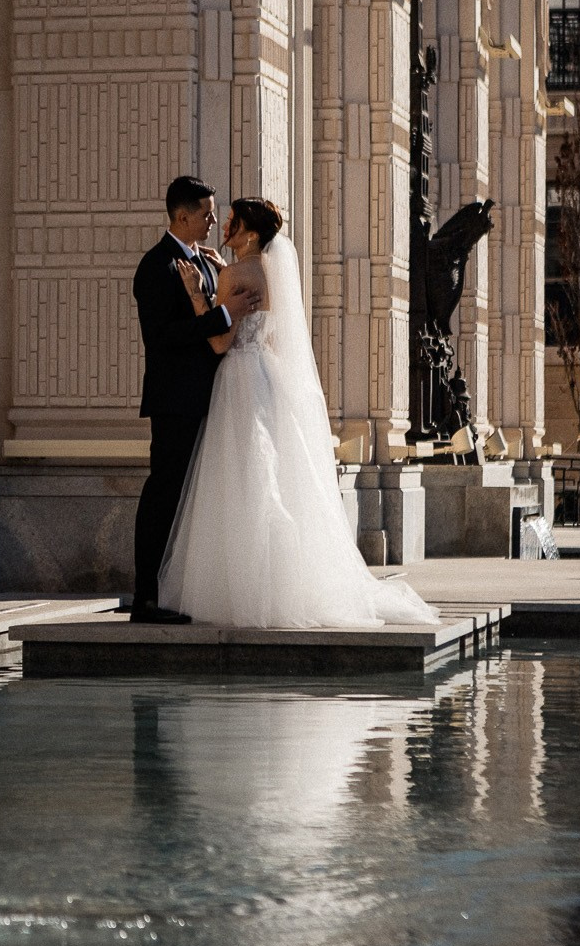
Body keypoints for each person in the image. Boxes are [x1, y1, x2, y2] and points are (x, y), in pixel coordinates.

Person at [158, 198, 439, 629]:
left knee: (243, 479)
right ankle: (285, 584)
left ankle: (249, 589)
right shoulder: (273, 271)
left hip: (238, 380)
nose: (225, 226)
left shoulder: (233, 274)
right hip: (267, 379)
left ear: (250, 233)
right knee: (274, 477)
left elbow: (219, 343)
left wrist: (199, 294)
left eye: (233, 221)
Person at [129, 176, 236, 624]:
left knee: (195, 499)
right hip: (175, 400)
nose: (213, 220)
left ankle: (179, 591)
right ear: (182, 215)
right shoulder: (156, 266)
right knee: (165, 496)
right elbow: (161, 337)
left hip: (210, 399)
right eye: (207, 213)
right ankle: (146, 599)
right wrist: (224, 317)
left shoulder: (205, 263)